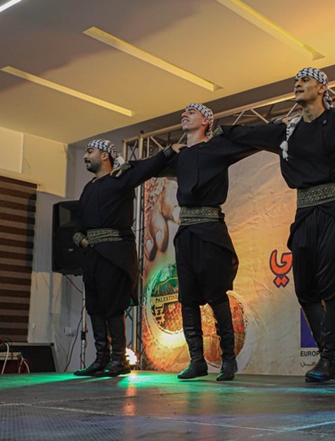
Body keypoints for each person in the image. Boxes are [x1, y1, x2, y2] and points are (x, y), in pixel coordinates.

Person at [220, 67, 335, 383]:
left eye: (305, 80)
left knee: (332, 288)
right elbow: (247, 134)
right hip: (304, 214)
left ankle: (329, 359)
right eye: (295, 81)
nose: (298, 84)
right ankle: (327, 354)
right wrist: (218, 130)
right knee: (305, 289)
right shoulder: (288, 131)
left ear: (322, 88)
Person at [164, 103, 273, 382]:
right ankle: (197, 361)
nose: (184, 114)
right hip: (186, 233)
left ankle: (228, 360)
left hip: (210, 232)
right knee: (187, 299)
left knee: (216, 295)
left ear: (206, 120)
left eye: (192, 112)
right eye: (183, 111)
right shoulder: (180, 156)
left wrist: (231, 132)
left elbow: (251, 141)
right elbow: (151, 167)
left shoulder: (218, 147)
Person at [72, 139, 179, 377]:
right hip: (93, 254)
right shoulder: (89, 188)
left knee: (112, 306)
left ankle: (118, 359)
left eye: (90, 151)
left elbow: (145, 168)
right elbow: (79, 220)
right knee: (95, 307)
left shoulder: (120, 178)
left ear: (105, 155)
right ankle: (101, 358)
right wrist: (81, 239)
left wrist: (168, 152)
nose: (84, 156)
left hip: (115, 253)